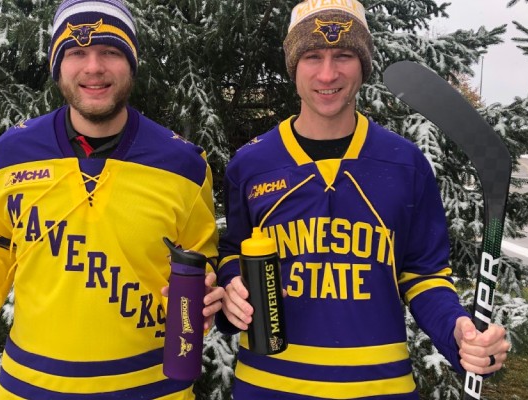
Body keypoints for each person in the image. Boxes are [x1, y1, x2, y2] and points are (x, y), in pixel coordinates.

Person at [216, 1, 510, 399]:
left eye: (344, 56)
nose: (327, 73)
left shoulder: (406, 164)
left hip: (380, 388)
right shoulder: (251, 164)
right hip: (268, 387)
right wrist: (232, 286)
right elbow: (233, 252)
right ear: (293, 66)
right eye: (312, 56)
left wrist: (457, 331)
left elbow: (423, 275)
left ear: (364, 63)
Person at [0, 0, 223, 398]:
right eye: (76, 52)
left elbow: (201, 260)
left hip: (153, 388)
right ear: (58, 65)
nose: (93, 67)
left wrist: (207, 296)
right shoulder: (7, 155)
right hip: (30, 386)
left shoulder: (183, 164)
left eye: (110, 51)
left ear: (131, 63)